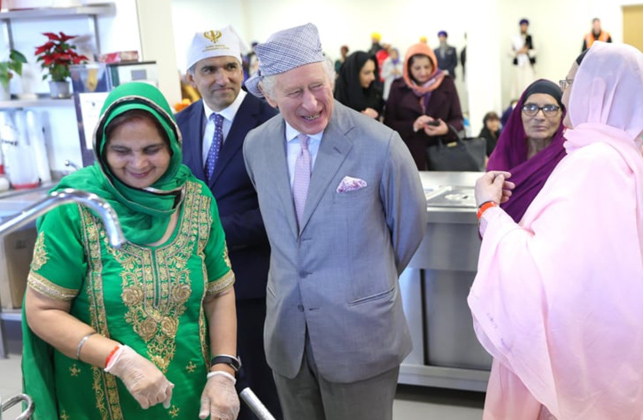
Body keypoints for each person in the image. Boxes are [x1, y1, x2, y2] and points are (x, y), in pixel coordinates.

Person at [469, 41, 643, 420]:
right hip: (611, 341)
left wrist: (488, 210)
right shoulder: (626, 155)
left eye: (570, 83)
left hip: (574, 351)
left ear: (596, 92)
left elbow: (542, 275)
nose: (564, 94)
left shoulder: (594, 163)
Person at [21, 82, 241, 420]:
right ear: (103, 149)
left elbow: (218, 292)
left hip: (187, 390)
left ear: (172, 144)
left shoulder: (195, 199)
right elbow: (43, 311)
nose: (138, 163)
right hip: (98, 398)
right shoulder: (75, 207)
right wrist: (117, 359)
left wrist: (223, 371)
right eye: (122, 151)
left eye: (152, 149)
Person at [243, 23, 427, 420]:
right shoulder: (256, 145)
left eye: (318, 86)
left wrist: (360, 282)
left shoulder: (379, 144)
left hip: (361, 334)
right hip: (287, 335)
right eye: (294, 93)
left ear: (331, 79)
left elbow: (408, 228)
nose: (311, 103)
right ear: (270, 97)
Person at [176, 27, 282, 420]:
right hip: (193, 284)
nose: (222, 78)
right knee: (206, 385)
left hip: (252, 284)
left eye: (230, 67)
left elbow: (281, 210)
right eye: (209, 70)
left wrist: (209, 232)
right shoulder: (178, 125)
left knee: (257, 387)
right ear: (192, 77)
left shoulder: (271, 123)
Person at [485, 79, 567, 222]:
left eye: (550, 109)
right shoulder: (504, 154)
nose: (539, 116)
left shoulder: (569, 156)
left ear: (562, 114)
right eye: (530, 108)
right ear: (519, 113)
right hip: (502, 237)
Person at [384, 42, 463, 170]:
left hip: (442, 155)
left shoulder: (446, 83)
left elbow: (458, 119)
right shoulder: (398, 87)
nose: (423, 72)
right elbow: (389, 123)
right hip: (408, 156)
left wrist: (446, 129)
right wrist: (413, 126)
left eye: (427, 66)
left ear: (434, 64)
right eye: (417, 68)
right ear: (408, 68)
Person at [334, 51, 383, 120]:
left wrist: (375, 114)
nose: (373, 77)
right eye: (367, 73)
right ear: (354, 74)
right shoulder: (338, 100)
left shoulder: (374, 94)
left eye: (373, 72)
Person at [510, 18, 536, 99]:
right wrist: (518, 52)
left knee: (528, 82)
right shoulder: (515, 38)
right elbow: (509, 51)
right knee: (518, 83)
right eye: (522, 26)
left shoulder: (531, 37)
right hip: (518, 65)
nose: (524, 27)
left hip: (528, 64)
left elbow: (536, 50)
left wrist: (527, 51)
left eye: (525, 26)